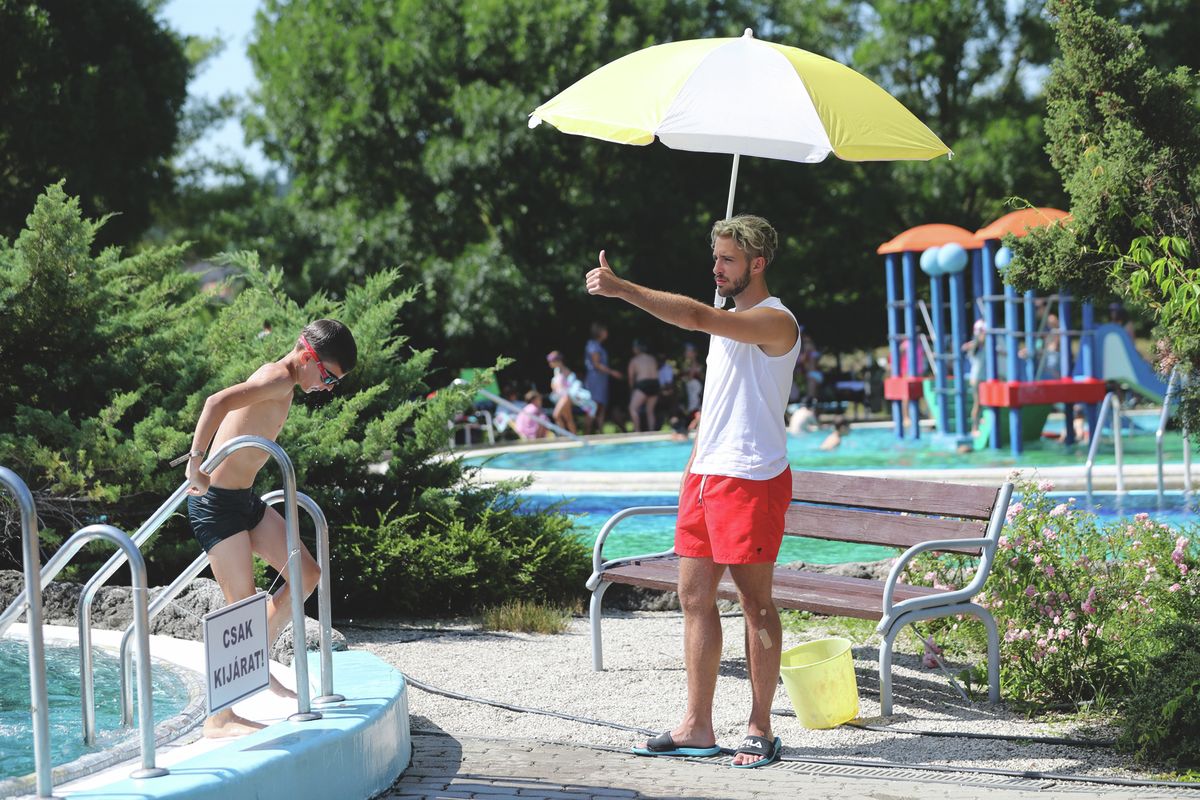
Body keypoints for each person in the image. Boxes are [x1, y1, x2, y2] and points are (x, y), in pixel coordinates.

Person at [586, 214, 801, 768]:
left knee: (755, 604)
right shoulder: (729, 319)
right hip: (706, 474)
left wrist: (622, 289)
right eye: (715, 258)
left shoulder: (776, 321)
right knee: (693, 599)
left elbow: (695, 316)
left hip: (752, 477)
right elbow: (725, 398)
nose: (717, 268)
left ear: (757, 263)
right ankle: (697, 726)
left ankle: (759, 726)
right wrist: (695, 461)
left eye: (727, 260)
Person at [179, 318, 357, 738]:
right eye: (328, 377)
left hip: (244, 500)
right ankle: (219, 719)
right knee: (239, 608)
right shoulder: (277, 377)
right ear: (305, 354)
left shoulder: (288, 386)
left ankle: (254, 659)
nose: (327, 388)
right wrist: (195, 461)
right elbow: (215, 401)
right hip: (214, 505)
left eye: (335, 383)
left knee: (306, 574)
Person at [583, 323, 623, 434]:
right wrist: (613, 372)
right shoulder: (593, 345)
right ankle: (587, 434)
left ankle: (600, 432)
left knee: (601, 406)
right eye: (605, 331)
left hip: (601, 380)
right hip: (595, 380)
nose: (607, 333)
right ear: (599, 332)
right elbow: (596, 364)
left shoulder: (599, 346)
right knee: (593, 406)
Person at [546, 351, 595, 434]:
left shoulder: (565, 371)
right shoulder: (557, 371)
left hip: (566, 397)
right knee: (568, 418)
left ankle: (563, 436)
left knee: (556, 415)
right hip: (561, 397)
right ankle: (574, 437)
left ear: (557, 361)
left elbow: (568, 386)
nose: (550, 364)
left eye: (551, 362)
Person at [627, 340, 660, 432]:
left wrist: (632, 390)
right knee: (650, 411)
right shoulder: (652, 358)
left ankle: (637, 431)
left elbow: (631, 378)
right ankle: (652, 431)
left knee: (632, 408)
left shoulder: (634, 360)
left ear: (637, 349)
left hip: (643, 384)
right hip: (655, 384)